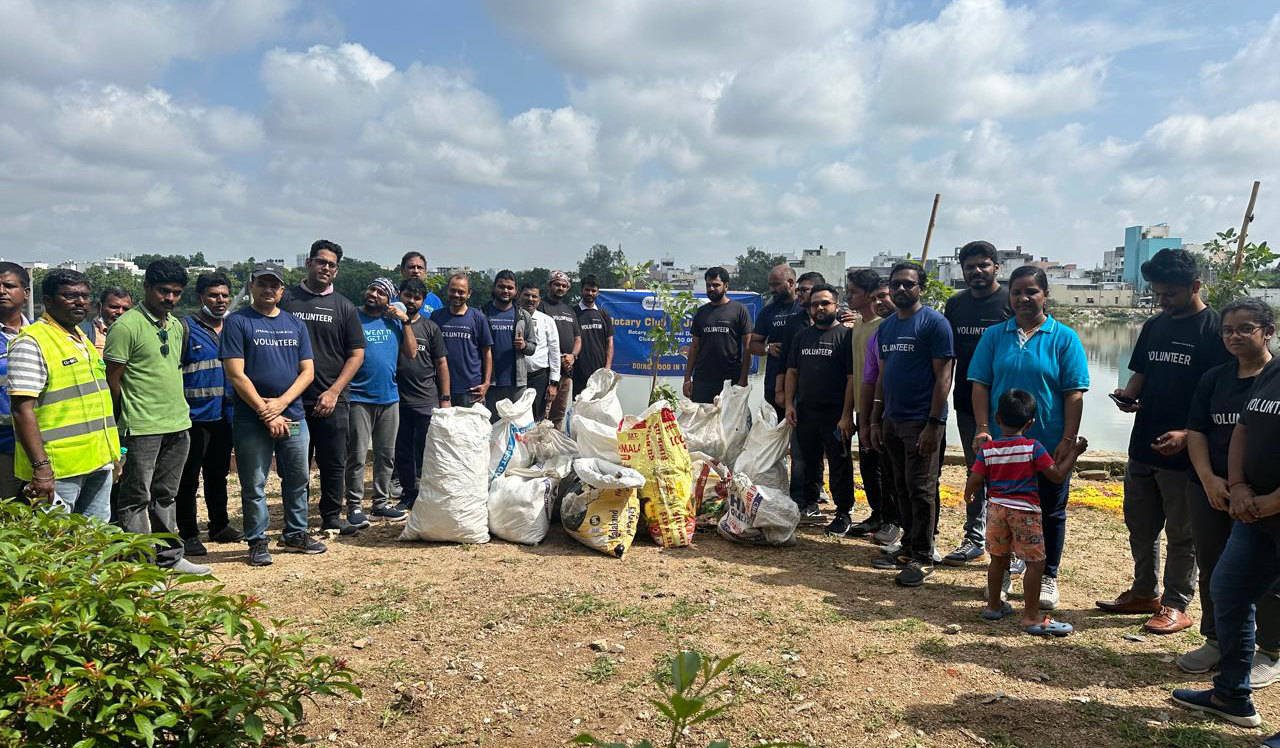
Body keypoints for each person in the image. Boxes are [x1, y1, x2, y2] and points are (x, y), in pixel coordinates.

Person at [1098, 248, 1230, 634]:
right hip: (1144, 442)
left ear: (1195, 285)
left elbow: (1224, 397)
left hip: (1189, 452)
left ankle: (1176, 603)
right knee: (1140, 525)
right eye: (1158, 293)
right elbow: (1141, 371)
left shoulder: (1215, 330)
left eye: (1170, 293)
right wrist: (1128, 397)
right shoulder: (1155, 325)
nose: (1163, 300)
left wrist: (1189, 434)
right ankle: (1144, 592)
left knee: (1182, 532)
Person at [1171, 321, 1280, 734]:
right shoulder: (1273, 374)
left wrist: (1273, 500)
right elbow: (1243, 430)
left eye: (1244, 329)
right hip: (1254, 514)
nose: (1234, 336)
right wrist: (1236, 486)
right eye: (1227, 330)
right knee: (1228, 590)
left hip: (1270, 508)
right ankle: (1230, 694)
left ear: (1266, 331)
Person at [967, 266, 1089, 610]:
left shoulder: (1064, 337)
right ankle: (1002, 573)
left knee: (1050, 509)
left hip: (1047, 441)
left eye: (1031, 291)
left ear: (1045, 295)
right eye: (1017, 291)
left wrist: (1068, 438)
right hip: (1004, 446)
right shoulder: (994, 336)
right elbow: (980, 384)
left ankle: (1048, 574)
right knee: (1002, 508)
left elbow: (1074, 393)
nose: (1023, 298)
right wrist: (981, 427)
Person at [103, 259, 208, 575]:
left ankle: (170, 558)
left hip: (177, 423)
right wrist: (127, 419)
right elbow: (113, 381)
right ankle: (141, 567)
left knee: (165, 495)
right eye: (164, 291)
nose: (170, 298)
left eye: (176, 293)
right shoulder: (126, 326)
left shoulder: (176, 325)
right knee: (135, 497)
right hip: (141, 427)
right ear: (146, 288)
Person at [222, 262, 324, 566]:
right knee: (254, 482)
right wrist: (266, 411)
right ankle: (256, 539)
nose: (268, 290)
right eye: (262, 284)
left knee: (298, 477)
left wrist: (280, 404)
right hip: (251, 419)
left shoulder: (295, 324)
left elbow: (307, 372)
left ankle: (295, 532)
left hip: (292, 416)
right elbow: (235, 374)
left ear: (282, 290)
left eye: (274, 285)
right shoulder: (238, 322)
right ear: (252, 286)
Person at [968, 389, 1087, 636]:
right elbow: (1055, 475)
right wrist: (1073, 453)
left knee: (998, 558)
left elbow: (976, 477)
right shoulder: (1033, 447)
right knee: (1035, 562)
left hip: (996, 511)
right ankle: (1031, 616)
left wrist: (969, 493)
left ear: (998, 418)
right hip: (1025, 513)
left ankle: (993, 606)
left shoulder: (988, 450)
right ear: (1030, 423)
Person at [868, 261, 954, 587]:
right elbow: (882, 376)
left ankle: (922, 554)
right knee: (900, 487)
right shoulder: (886, 327)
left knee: (921, 489)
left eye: (908, 284)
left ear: (921, 288)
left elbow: (944, 376)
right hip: (892, 420)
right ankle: (906, 547)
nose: (901, 289)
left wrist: (934, 423)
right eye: (896, 284)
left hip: (922, 421)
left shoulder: (934, 324)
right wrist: (876, 419)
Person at [8, 269, 121, 520]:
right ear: (48, 301)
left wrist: (114, 455)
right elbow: (21, 409)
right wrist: (42, 468)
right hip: (58, 468)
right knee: (56, 544)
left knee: (94, 541)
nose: (80, 302)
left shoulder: (81, 337)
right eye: (70, 296)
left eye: (84, 296)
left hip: (97, 459)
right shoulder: (32, 342)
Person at [282, 239, 366, 534]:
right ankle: (296, 520)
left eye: (331, 265)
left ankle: (331, 515)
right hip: (291, 402)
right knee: (295, 465)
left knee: (333, 463)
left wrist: (334, 391)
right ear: (309, 263)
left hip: (332, 401)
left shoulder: (344, 306)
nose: (326, 268)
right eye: (321, 262)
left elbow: (356, 354)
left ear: (337, 271)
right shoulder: (287, 300)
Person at [942, 241, 1013, 567]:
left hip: (1010, 408)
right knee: (977, 471)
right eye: (970, 266)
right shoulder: (955, 305)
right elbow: (947, 359)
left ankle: (1011, 544)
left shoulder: (1012, 300)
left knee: (1011, 475)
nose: (977, 271)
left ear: (996, 266)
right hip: (968, 403)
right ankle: (974, 538)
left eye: (984, 264)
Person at [174, 272, 240, 557]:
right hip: (194, 417)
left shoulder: (233, 328)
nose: (220, 301)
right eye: (214, 295)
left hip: (225, 416)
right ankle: (188, 533)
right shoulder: (186, 328)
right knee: (187, 478)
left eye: (225, 295)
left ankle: (219, 525)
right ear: (200, 297)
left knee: (218, 474)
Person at [784, 284, 855, 534]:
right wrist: (789, 404)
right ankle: (809, 504)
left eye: (825, 303)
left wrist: (847, 415)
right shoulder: (802, 337)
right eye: (815, 304)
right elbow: (792, 372)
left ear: (836, 305)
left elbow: (851, 379)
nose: (820, 308)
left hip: (835, 414)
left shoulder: (846, 337)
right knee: (808, 462)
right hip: (805, 412)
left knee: (839, 463)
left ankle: (844, 512)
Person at [346, 278, 416, 522]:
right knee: (356, 455)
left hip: (389, 396)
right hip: (357, 396)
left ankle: (380, 503)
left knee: (386, 455)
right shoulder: (352, 317)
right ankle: (354, 506)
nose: (374, 294)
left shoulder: (394, 321)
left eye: (381, 292)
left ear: (390, 299)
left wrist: (405, 321)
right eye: (372, 288)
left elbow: (412, 352)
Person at [837, 270, 896, 538]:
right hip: (863, 407)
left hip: (881, 408)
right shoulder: (858, 325)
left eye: (853, 291)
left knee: (886, 468)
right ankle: (877, 514)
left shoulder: (885, 326)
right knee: (869, 466)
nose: (848, 296)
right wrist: (848, 412)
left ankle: (892, 519)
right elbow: (853, 374)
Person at [855, 278, 904, 548]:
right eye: (874, 298)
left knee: (906, 478)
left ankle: (914, 536)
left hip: (910, 414)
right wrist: (868, 418)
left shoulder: (925, 326)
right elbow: (870, 379)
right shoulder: (880, 334)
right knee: (880, 470)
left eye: (883, 296)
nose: (879, 302)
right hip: (880, 412)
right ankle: (886, 518)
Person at [393, 278, 450, 512]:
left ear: (423, 301)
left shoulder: (431, 327)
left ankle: (429, 494)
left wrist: (445, 398)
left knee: (427, 450)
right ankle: (408, 493)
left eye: (417, 298)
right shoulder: (389, 324)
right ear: (400, 295)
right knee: (403, 451)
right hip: (397, 400)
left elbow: (442, 363)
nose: (411, 301)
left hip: (426, 399)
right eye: (408, 296)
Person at [777, 272, 826, 522]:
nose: (801, 295)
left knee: (826, 456)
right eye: (800, 291)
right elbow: (787, 366)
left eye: (805, 290)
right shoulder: (793, 325)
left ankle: (820, 499)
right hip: (800, 401)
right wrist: (785, 398)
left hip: (831, 403)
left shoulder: (839, 325)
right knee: (799, 455)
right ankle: (798, 500)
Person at [684, 267, 751, 405]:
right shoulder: (701, 312)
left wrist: (743, 379)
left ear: (726, 286)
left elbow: (748, 347)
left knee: (729, 424)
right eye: (708, 285)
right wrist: (687, 379)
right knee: (701, 423)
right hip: (703, 380)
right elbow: (694, 347)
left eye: (716, 285)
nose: (711, 288)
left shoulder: (739, 310)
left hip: (730, 380)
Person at [430, 273, 492, 408]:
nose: (457, 295)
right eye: (453, 290)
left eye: (461, 292)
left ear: (469, 294)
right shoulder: (436, 317)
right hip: (442, 388)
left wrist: (487, 382)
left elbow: (486, 351)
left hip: (472, 389)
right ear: (447, 290)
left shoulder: (478, 317)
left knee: (473, 428)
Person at [748, 264, 802, 420]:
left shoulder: (805, 308)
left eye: (776, 284)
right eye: (770, 285)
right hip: (774, 381)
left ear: (791, 283)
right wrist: (767, 348)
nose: (772, 289)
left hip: (803, 381)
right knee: (778, 430)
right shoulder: (768, 311)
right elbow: (752, 345)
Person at [482, 270, 536, 419]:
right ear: (494, 288)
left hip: (517, 383)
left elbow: (532, 347)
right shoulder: (482, 313)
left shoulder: (523, 316)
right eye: (501, 286)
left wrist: (524, 346)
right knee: (492, 426)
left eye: (510, 288)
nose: (505, 291)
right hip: (490, 382)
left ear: (516, 291)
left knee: (517, 425)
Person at [0, 262, 31, 501]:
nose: (2, 291)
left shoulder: (41, 333)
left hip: (37, 441)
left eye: (9, 286)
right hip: (3, 444)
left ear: (26, 292)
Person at [540, 270, 580, 427]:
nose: (560, 288)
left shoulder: (569, 311)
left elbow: (578, 339)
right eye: (557, 284)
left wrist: (573, 356)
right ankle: (539, 449)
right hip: (547, 372)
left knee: (558, 415)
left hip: (566, 371)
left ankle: (555, 450)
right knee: (543, 414)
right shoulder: (541, 306)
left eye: (564, 285)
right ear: (549, 285)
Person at [520, 282, 561, 421]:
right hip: (516, 377)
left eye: (534, 296)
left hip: (539, 377)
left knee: (537, 418)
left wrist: (554, 383)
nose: (530, 299)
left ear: (539, 300)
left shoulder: (547, 321)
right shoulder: (512, 317)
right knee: (517, 417)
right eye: (526, 295)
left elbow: (555, 351)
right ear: (519, 296)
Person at [573, 274, 614, 396]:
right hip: (578, 373)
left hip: (599, 373)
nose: (590, 293)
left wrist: (607, 368)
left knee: (598, 409)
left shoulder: (603, 314)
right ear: (582, 290)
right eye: (587, 290)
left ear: (598, 292)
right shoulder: (573, 313)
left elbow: (610, 342)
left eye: (593, 291)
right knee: (579, 409)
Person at [80, 286, 133, 356]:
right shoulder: (83, 333)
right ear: (99, 307)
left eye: (125, 309)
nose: (120, 312)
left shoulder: (134, 335)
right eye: (114, 307)